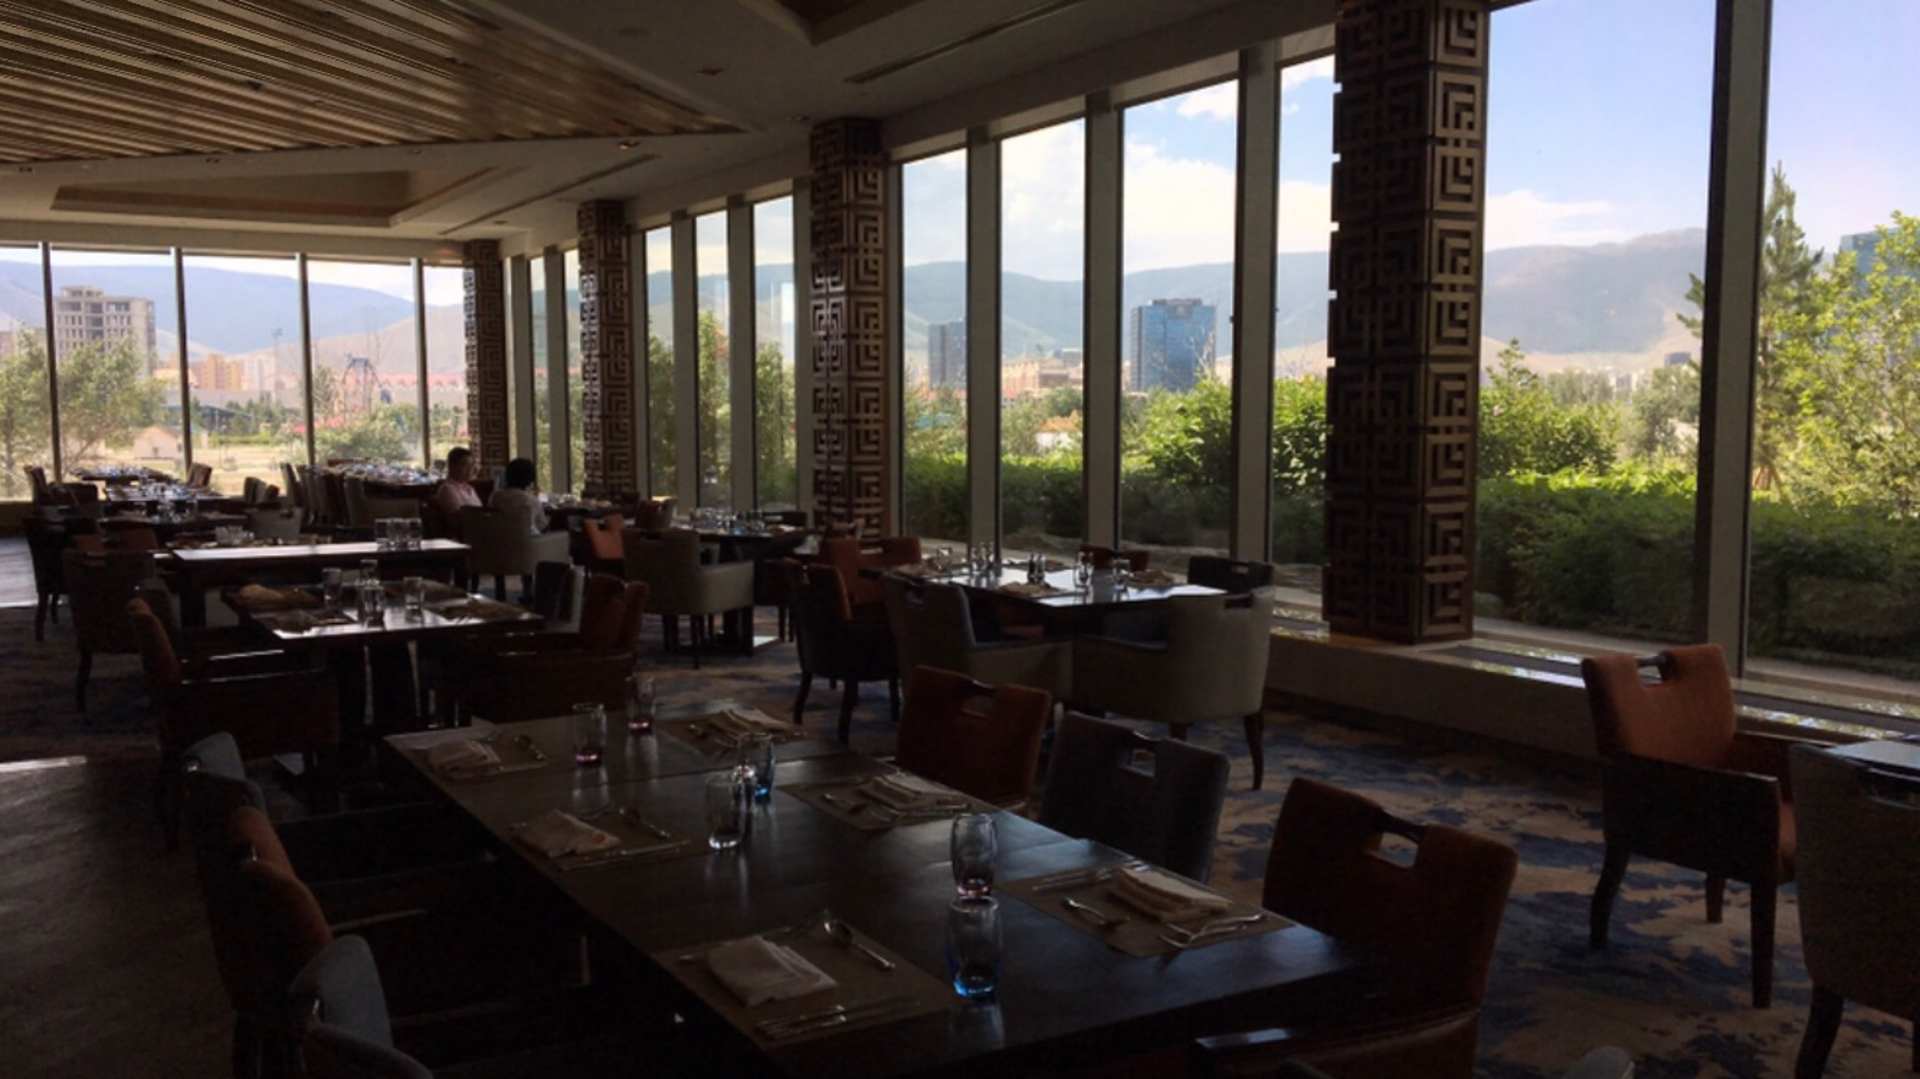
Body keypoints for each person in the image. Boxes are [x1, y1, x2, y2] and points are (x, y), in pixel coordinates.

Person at [488, 457, 548, 535]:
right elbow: (542, 526)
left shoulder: (495, 497)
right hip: (528, 540)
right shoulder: (532, 501)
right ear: (530, 479)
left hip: (498, 539)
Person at [430, 447, 481, 518]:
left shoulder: (469, 488)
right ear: (452, 466)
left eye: (471, 465)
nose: (470, 469)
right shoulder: (447, 489)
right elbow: (460, 519)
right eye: (465, 464)